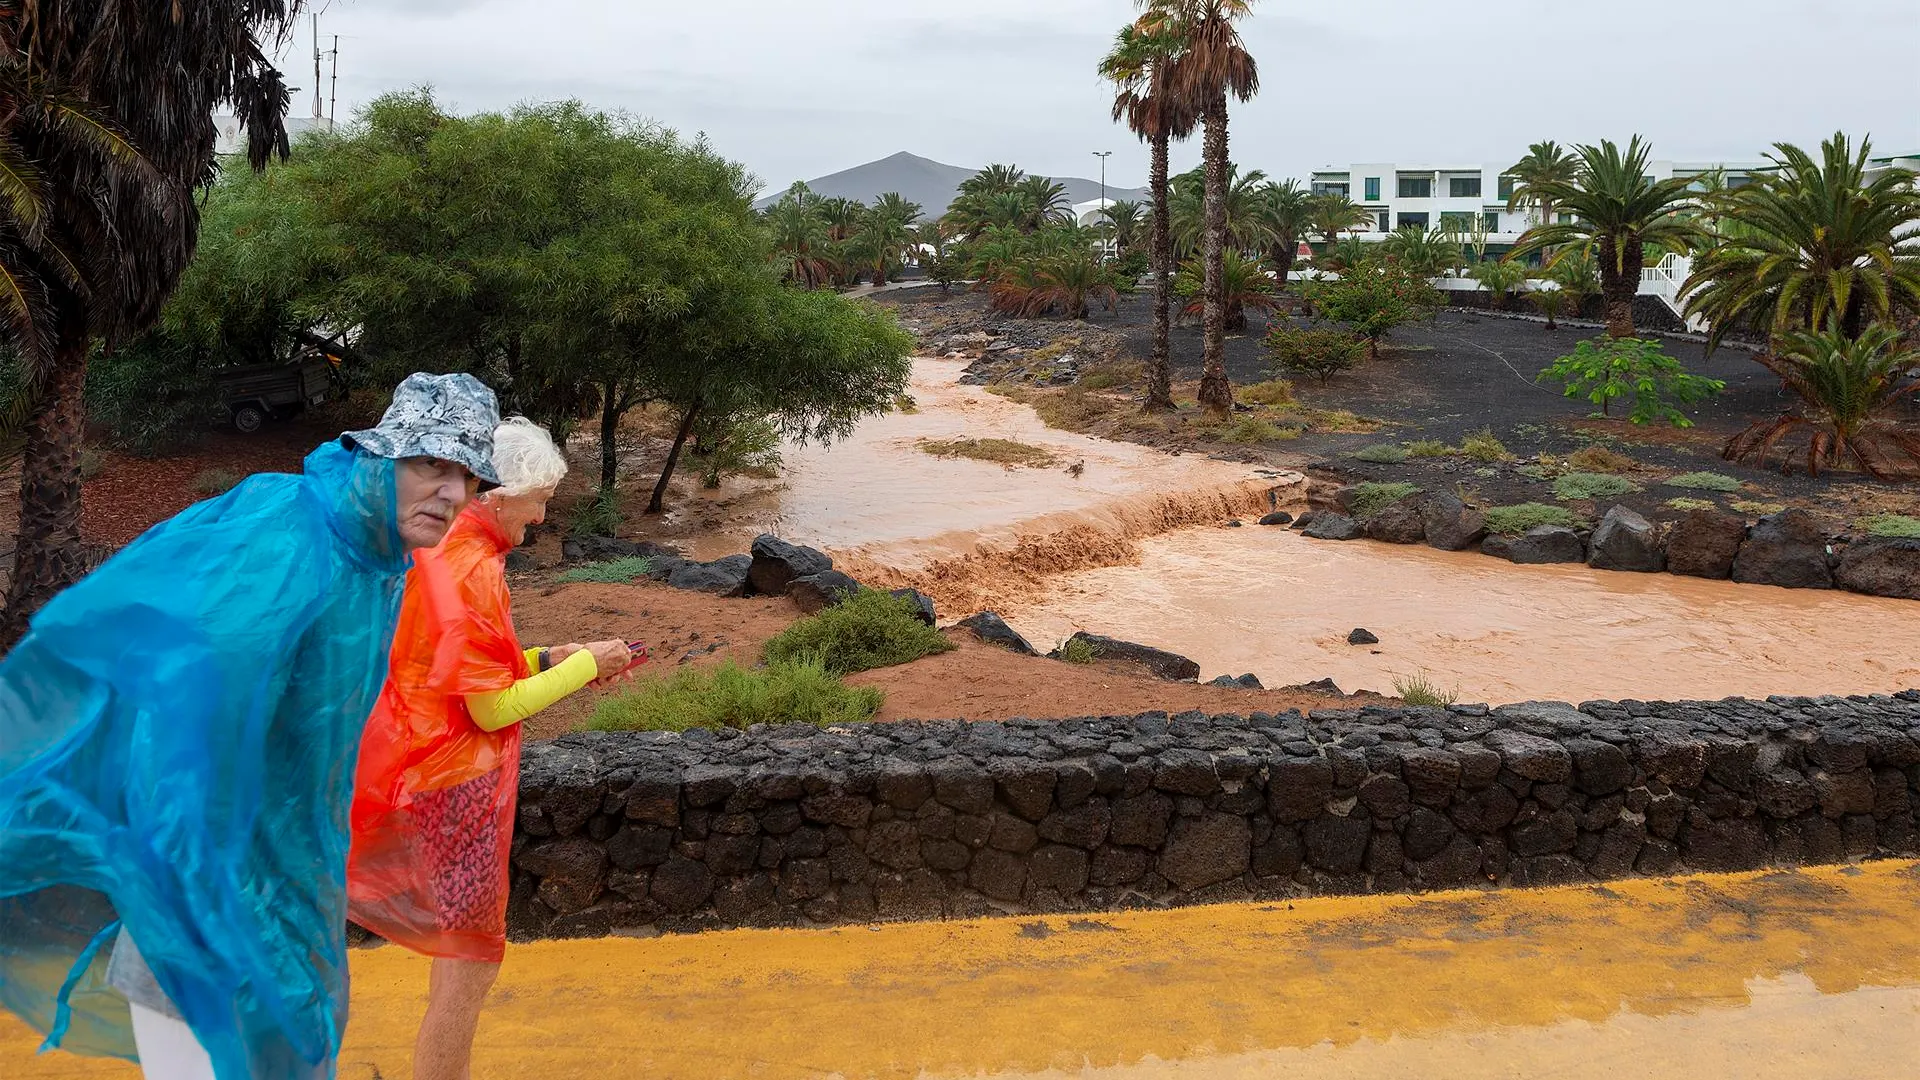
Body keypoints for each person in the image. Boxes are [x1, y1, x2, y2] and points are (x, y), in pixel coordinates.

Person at [0, 373, 504, 1080]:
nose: (451, 493)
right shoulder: (289, 537)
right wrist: (200, 891)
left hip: (288, 889)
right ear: (383, 457)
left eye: (469, 475)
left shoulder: (377, 559)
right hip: (206, 905)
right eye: (431, 464)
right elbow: (187, 709)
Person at [348, 417, 634, 1080]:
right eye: (538, 502)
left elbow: (459, 674)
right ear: (499, 494)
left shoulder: (438, 551)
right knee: (470, 964)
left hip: (426, 774)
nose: (540, 519)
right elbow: (491, 707)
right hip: (458, 792)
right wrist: (588, 663)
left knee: (460, 958)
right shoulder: (474, 571)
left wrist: (542, 656)